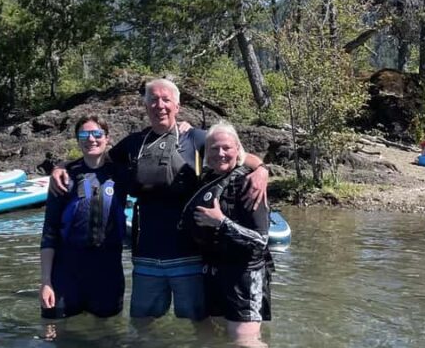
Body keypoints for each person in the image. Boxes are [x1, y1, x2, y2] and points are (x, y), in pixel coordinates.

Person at [50, 78, 269, 322]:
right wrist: (61, 167)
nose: (159, 105)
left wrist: (261, 169)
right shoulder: (133, 143)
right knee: (141, 328)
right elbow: (97, 158)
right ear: (145, 105)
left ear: (177, 105)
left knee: (199, 326)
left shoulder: (196, 138)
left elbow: (231, 150)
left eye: (166, 100)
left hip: (189, 257)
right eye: (153, 99)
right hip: (146, 257)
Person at [181, 122, 273, 345]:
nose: (220, 154)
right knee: (219, 343)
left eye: (226, 148)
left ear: (238, 150)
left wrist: (221, 222)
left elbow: (260, 241)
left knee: (246, 344)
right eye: (214, 148)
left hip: (245, 277)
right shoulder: (205, 178)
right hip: (213, 272)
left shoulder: (249, 184)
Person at [39, 115, 129, 322]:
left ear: (107, 138)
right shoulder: (64, 178)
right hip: (67, 272)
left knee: (107, 337)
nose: (91, 139)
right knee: (53, 333)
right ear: (77, 140)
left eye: (97, 134)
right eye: (84, 135)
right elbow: (49, 232)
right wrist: (45, 282)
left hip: (107, 271)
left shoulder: (121, 174)